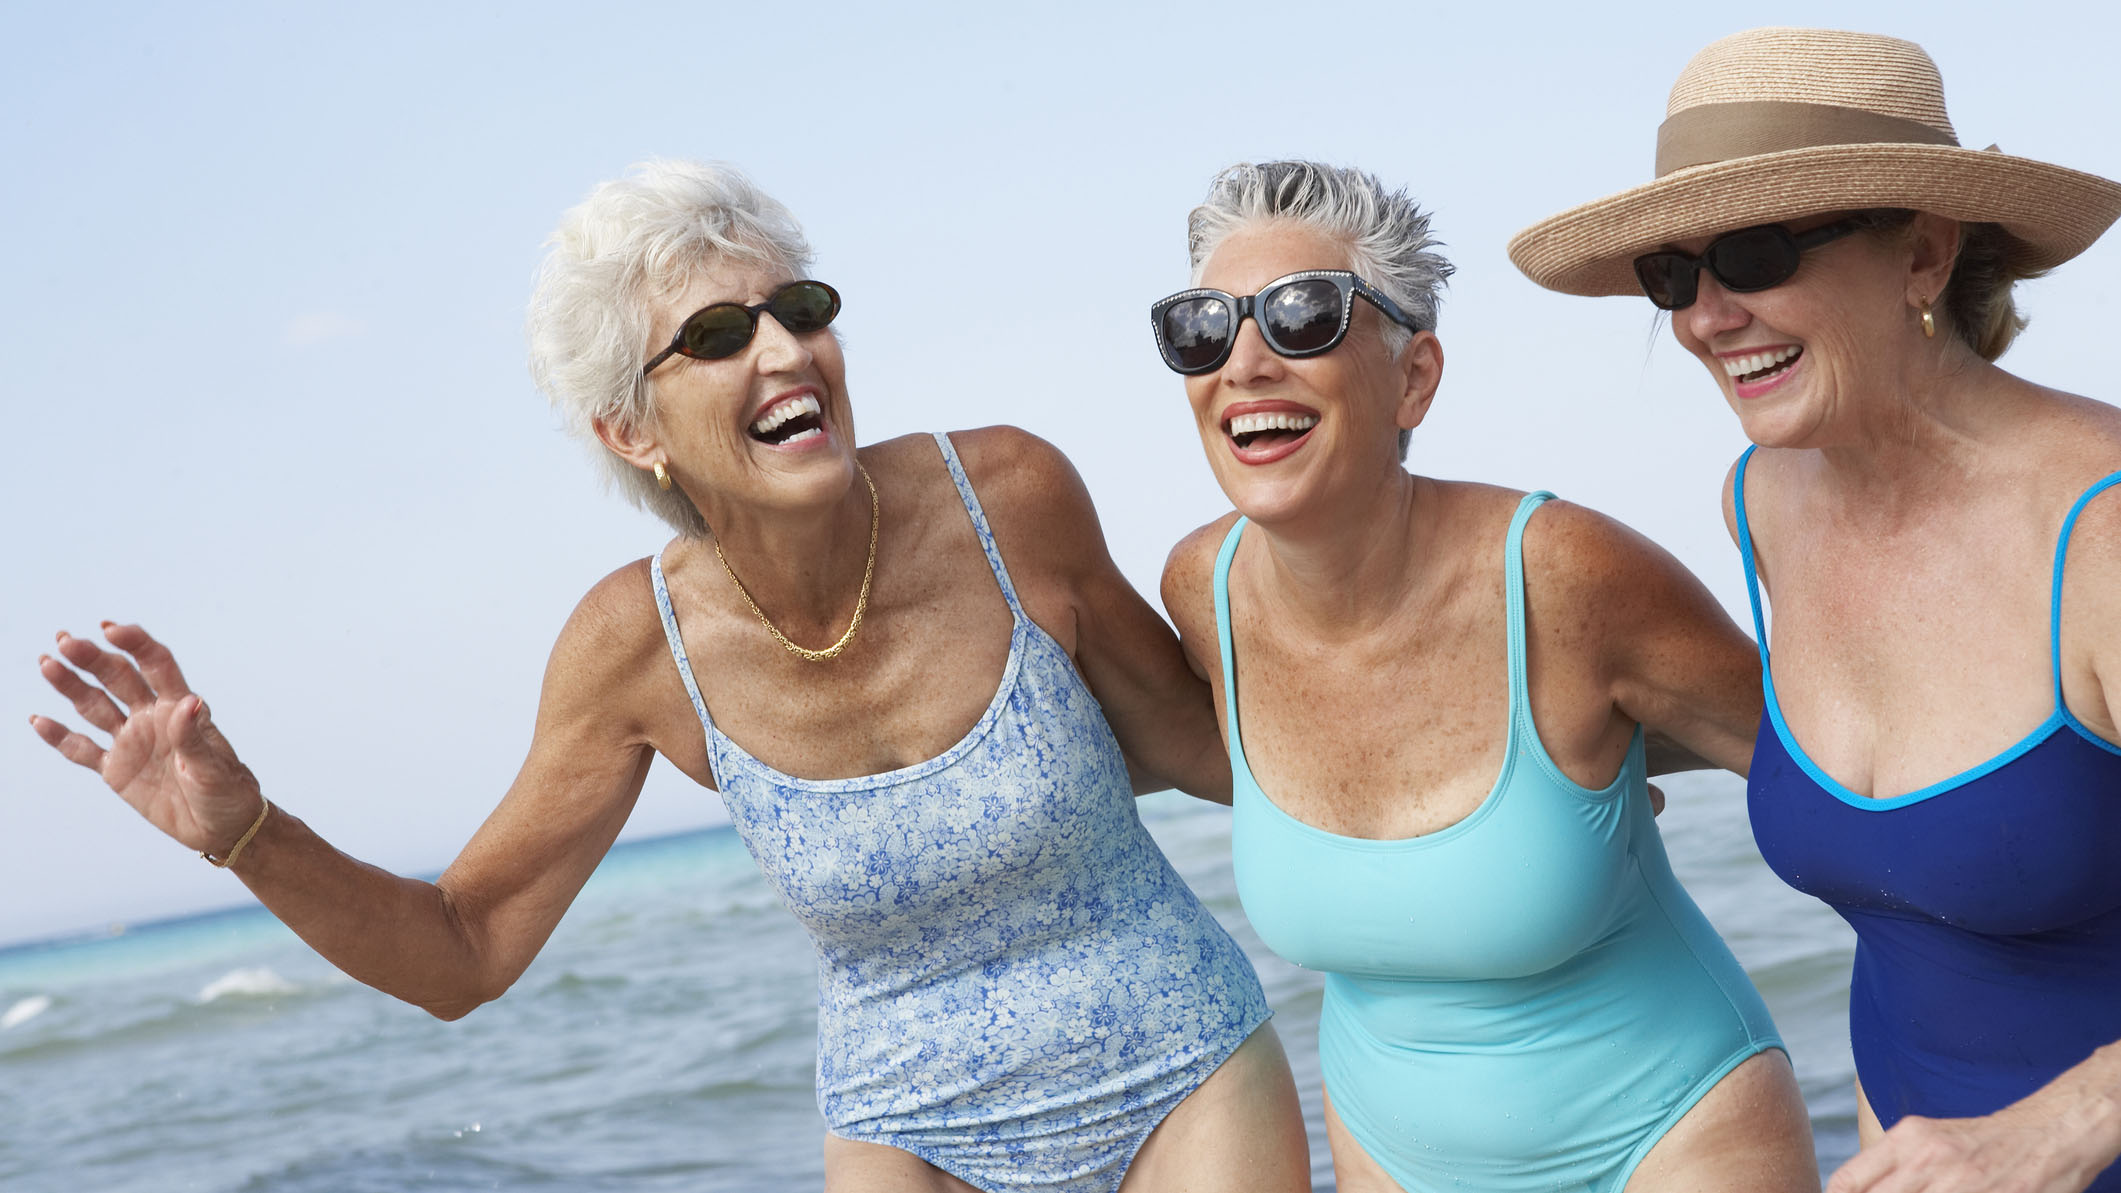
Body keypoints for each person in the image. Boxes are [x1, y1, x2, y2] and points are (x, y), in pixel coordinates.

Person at [29, 159, 1311, 1193]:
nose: (784, 350)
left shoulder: (1009, 497)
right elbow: (464, 952)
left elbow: (1211, 744)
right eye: (713, 335)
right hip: (914, 1140)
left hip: (1184, 1073)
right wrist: (243, 832)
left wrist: (1379, 595)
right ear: (631, 431)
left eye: (799, 309)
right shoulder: (632, 650)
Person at [1508, 26, 2121, 1193]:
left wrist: (2059, 1124)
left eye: (1753, 251)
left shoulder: (2099, 529)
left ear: (1925, 255)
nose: (1704, 317)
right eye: (1673, 276)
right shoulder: (1763, 501)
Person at [1153, 159, 1817, 1193]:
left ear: (1414, 374)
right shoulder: (1204, 590)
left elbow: (1824, 765)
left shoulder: (1566, 572)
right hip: (1388, 1152)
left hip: (1673, 1134)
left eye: (1303, 316)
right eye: (1204, 327)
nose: (1244, 363)